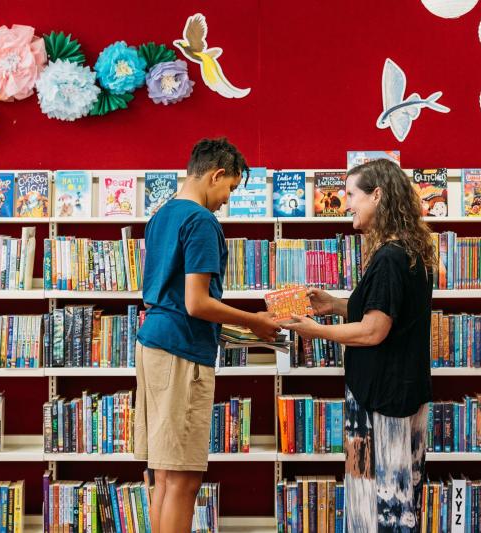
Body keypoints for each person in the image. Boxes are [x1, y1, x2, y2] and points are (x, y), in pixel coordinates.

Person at [135, 138, 280, 533]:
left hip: (153, 343)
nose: (227, 199)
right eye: (229, 188)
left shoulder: (161, 215)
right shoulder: (201, 221)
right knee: (184, 479)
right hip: (182, 349)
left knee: (163, 475)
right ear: (216, 175)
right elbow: (197, 303)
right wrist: (255, 322)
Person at [286, 159, 436, 532]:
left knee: (383, 506)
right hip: (400, 394)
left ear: (378, 196)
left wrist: (314, 331)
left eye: (352, 194)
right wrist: (336, 305)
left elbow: (374, 331)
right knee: (400, 496)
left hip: (382, 400)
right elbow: (388, 313)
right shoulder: (408, 250)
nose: (346, 202)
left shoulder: (387, 258)